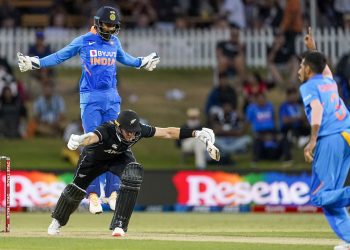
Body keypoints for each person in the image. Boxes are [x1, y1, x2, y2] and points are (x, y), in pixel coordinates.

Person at [17, 6, 160, 214]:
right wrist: (36, 62)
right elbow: (60, 56)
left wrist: (141, 62)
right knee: (93, 144)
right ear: (98, 23)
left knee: (118, 143)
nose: (110, 28)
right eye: (107, 24)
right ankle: (92, 195)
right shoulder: (85, 41)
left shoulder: (114, 42)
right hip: (91, 98)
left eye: (113, 25)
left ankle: (112, 194)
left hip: (112, 98)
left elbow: (125, 58)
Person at [47, 110, 220, 237]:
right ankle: (57, 222)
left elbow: (167, 132)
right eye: (128, 131)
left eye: (134, 131)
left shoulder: (138, 131)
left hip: (119, 158)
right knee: (75, 190)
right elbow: (92, 137)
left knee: (133, 174)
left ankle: (120, 225)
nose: (131, 135)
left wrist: (196, 133)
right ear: (118, 127)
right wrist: (78, 139)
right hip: (93, 159)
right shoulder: (108, 129)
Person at [300, 27, 350, 250]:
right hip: (347, 134)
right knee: (331, 200)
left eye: (302, 65)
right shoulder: (329, 81)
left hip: (330, 140)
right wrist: (313, 49)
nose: (299, 69)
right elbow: (325, 69)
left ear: (309, 69)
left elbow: (317, 108)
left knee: (319, 197)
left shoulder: (309, 85)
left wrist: (312, 140)